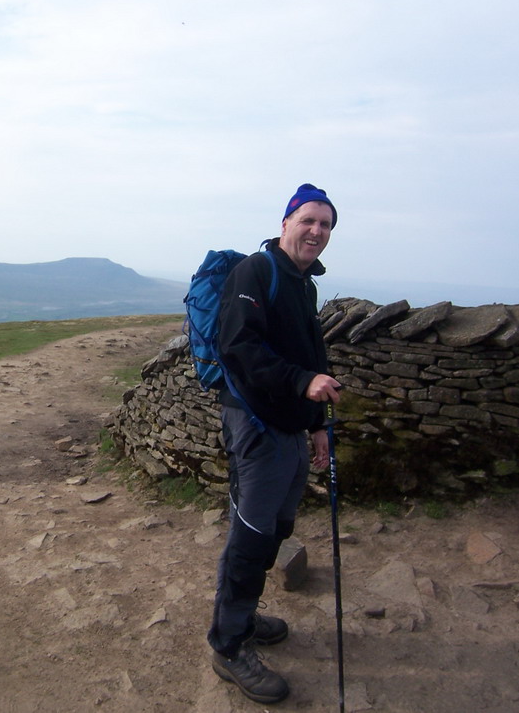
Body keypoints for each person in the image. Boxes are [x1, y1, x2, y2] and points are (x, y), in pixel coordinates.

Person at [207, 183, 342, 704]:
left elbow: (312, 355)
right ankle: (229, 644)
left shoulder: (303, 285)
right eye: (308, 220)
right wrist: (299, 385)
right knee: (253, 532)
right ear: (285, 222)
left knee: (276, 529)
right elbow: (238, 348)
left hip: (289, 429)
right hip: (256, 425)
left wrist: (316, 424)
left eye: (326, 225)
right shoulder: (254, 274)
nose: (317, 231)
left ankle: (240, 613)